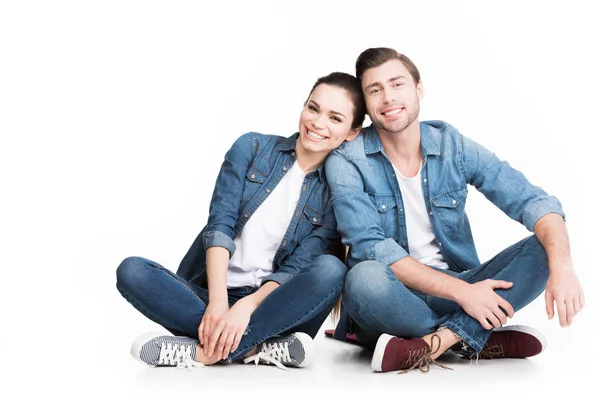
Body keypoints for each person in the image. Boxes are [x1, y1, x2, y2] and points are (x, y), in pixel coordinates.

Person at [325, 47, 585, 373]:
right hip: (393, 296)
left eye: (397, 84)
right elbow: (372, 249)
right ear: (367, 103)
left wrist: (562, 265)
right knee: (364, 279)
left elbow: (535, 202)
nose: (388, 98)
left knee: (545, 246)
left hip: (461, 285)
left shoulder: (452, 146)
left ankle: (438, 342)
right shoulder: (347, 159)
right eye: (374, 90)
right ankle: (475, 335)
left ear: (419, 88)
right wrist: (465, 294)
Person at [116, 71, 366, 369]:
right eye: (313, 108)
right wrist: (220, 302)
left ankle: (203, 353)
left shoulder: (335, 190)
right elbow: (220, 223)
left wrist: (247, 307)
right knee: (132, 270)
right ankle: (259, 347)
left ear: (352, 131)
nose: (318, 123)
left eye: (335, 118)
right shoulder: (252, 147)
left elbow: (298, 266)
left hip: (276, 307)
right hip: (210, 297)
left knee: (332, 269)